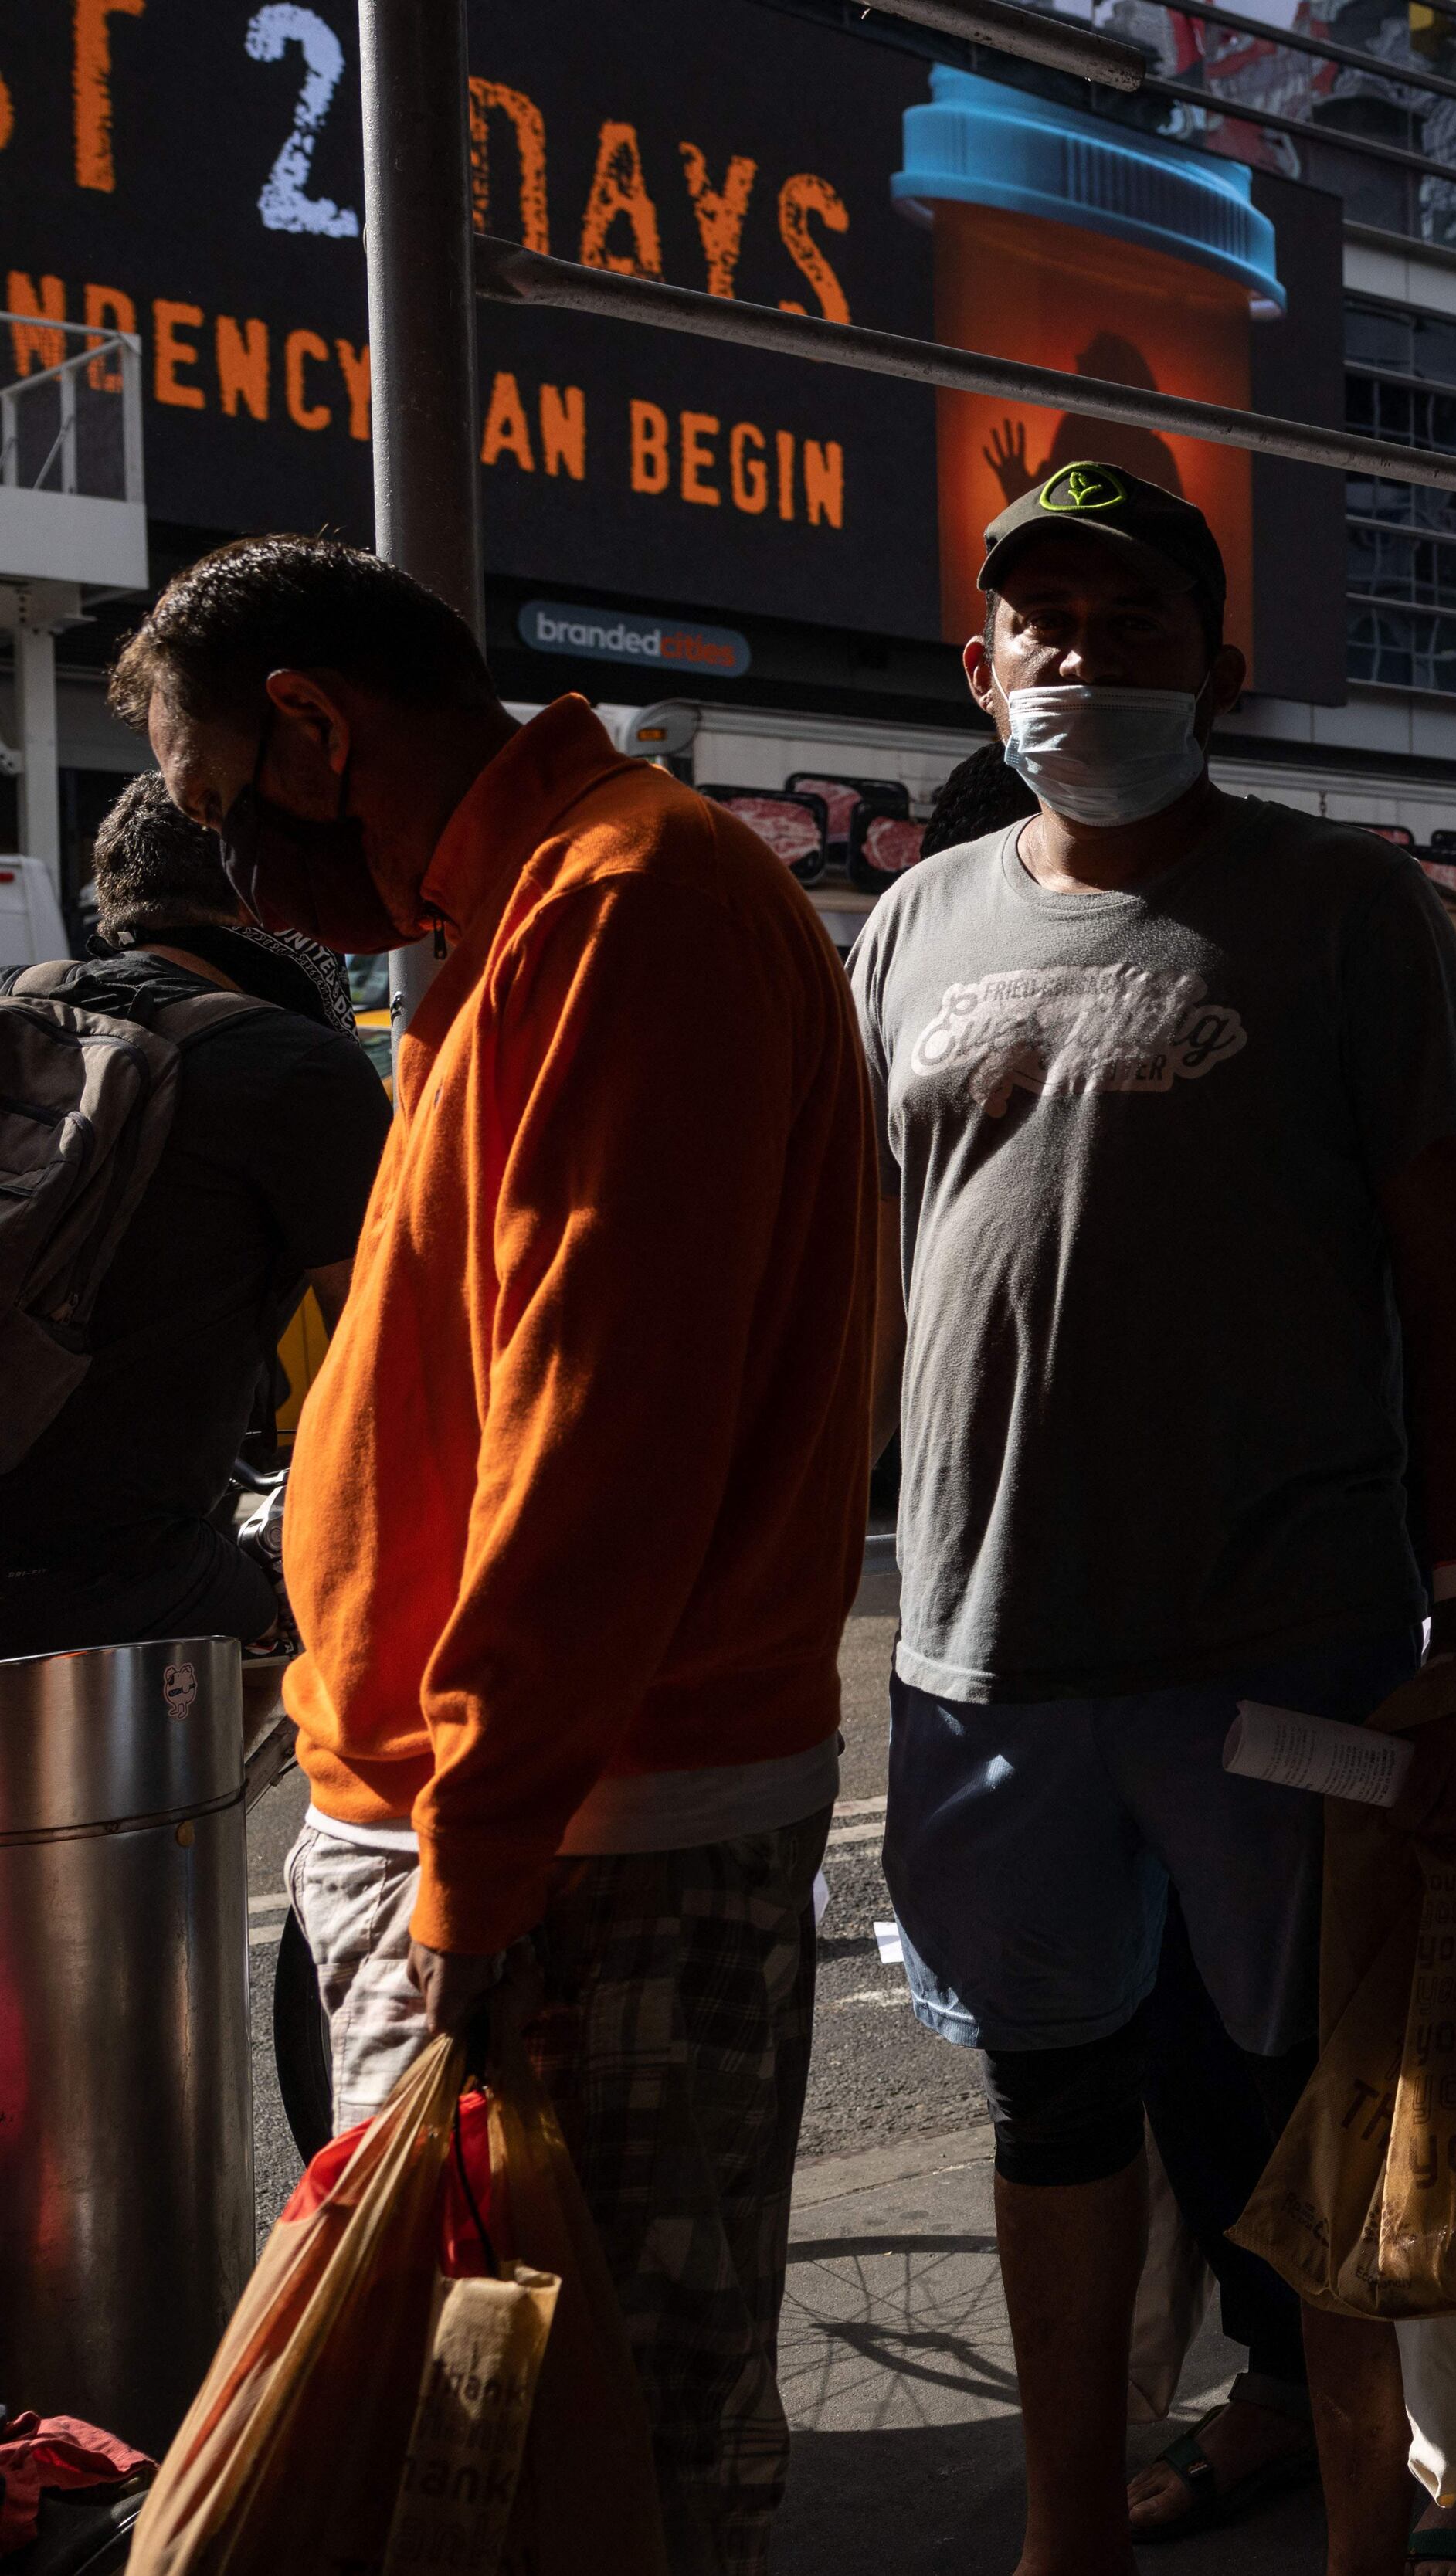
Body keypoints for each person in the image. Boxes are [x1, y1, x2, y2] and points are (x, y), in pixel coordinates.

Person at [115, 535, 874, 2572]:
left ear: (310, 729)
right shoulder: (530, 907)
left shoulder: (625, 899)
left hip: (577, 1837)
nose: (232, 875)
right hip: (528, 1821)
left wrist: (478, 1847)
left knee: (575, 2441)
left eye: (214, 810)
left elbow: (597, 1424)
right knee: (501, 2446)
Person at [847, 468, 1456, 2576]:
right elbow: (881, 1267)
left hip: (1285, 1650)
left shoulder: (1347, 908)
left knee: (1297, 2113)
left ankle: (1364, 2534)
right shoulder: (910, 920)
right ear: (980, 664)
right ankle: (1070, 2531)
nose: (1078, 651)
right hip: (984, 1654)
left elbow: (1452, 1266)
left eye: (1129, 614)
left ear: (1218, 662)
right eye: (1036, 616)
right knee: (1050, 2103)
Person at [0, 774, 385, 1659]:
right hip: (118, 1579)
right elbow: (397, 1354)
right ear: (267, 900)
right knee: (310, 1617)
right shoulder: (296, 1067)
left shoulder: (14, 1000)